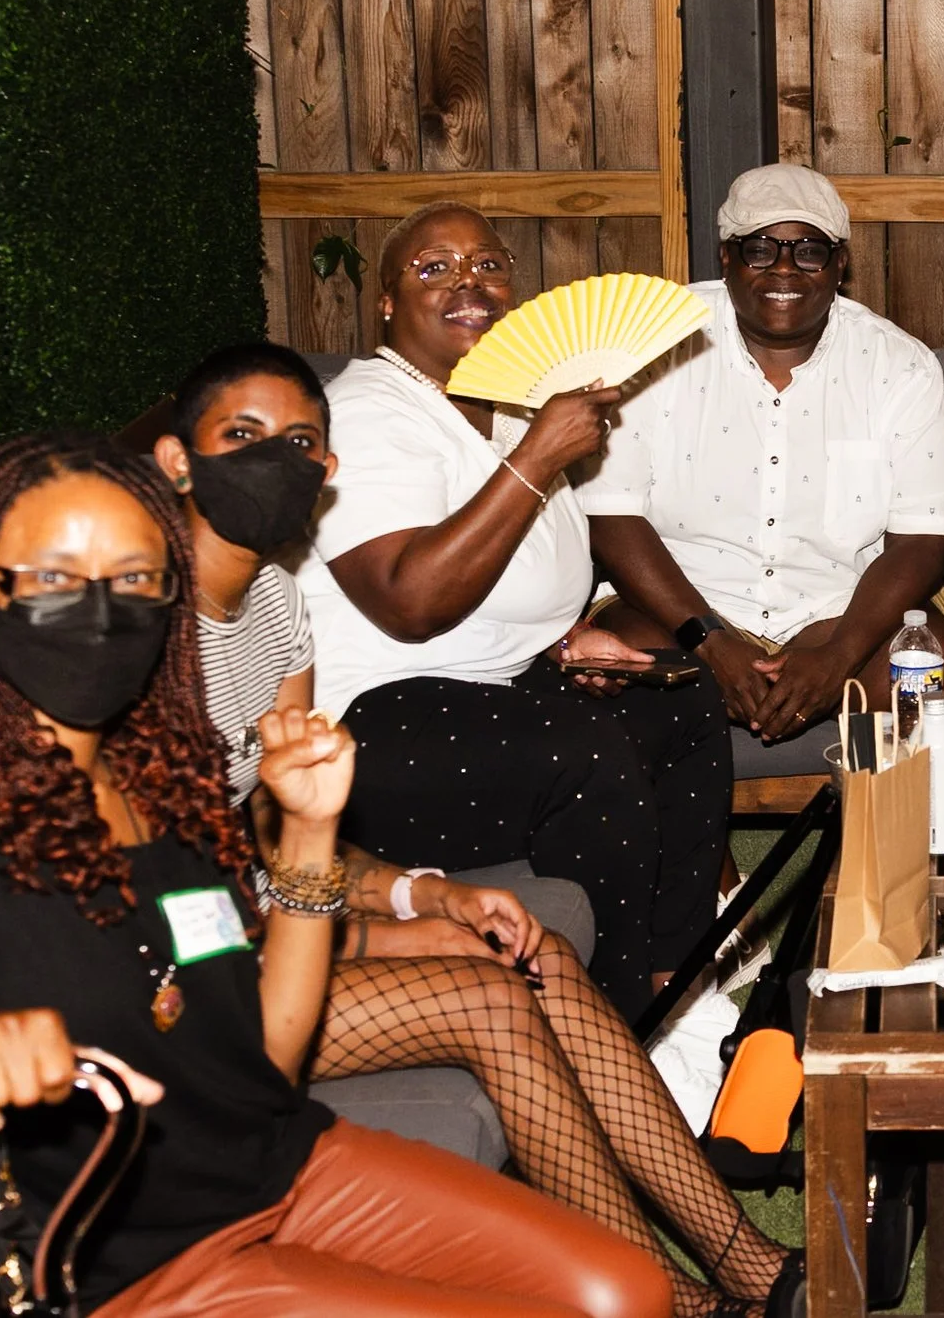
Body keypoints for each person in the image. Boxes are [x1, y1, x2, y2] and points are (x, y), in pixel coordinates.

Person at [0, 431, 672, 1318]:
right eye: (54, 578)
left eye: (135, 577)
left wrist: (307, 835)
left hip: (272, 1164)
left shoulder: (165, 779)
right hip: (117, 1266)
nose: (101, 610)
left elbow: (265, 1056)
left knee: (628, 1293)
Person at [154, 341, 800, 1318]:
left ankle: (750, 1265)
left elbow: (282, 837)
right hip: (177, 981)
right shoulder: (143, 630)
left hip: (260, 919)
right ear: (178, 459)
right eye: (243, 436)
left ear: (328, 471)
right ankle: (677, 1300)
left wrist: (426, 895)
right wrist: (359, 932)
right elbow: (173, 901)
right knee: (489, 994)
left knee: (529, 950)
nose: (274, 463)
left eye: (299, 443)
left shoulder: (277, 606)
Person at [293, 204, 732, 1010]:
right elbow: (411, 602)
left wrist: (566, 642)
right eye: (434, 268)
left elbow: (514, 571)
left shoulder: (508, 409)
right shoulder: (365, 412)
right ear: (385, 301)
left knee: (682, 698)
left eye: (489, 265)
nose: (469, 283)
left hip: (496, 685)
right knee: (590, 753)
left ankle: (680, 988)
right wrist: (538, 456)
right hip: (371, 728)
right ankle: (619, 1019)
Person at [582, 163, 944, 743]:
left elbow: (926, 536)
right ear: (727, 258)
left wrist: (839, 657)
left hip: (841, 610)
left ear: (840, 265)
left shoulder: (899, 366)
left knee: (927, 660)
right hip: (681, 612)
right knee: (615, 662)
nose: (784, 269)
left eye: (809, 251)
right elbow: (610, 515)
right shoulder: (653, 345)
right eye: (761, 249)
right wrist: (710, 640)